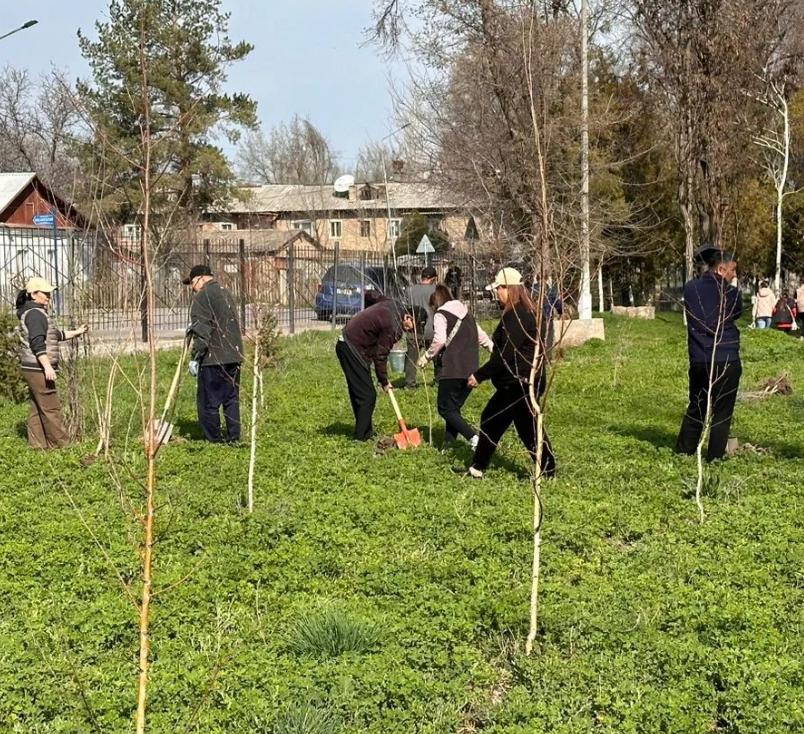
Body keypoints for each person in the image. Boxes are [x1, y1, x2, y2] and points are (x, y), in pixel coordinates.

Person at [458, 267, 556, 479]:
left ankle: (548, 471)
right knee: (492, 419)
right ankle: (477, 468)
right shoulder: (524, 311)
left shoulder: (517, 315)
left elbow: (504, 355)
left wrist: (479, 375)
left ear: (509, 289)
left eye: (499, 289)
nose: (497, 294)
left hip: (520, 383)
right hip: (518, 381)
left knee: (527, 428)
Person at [675, 249, 742, 463]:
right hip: (726, 357)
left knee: (697, 404)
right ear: (721, 269)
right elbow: (736, 313)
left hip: (699, 358)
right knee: (722, 411)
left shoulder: (691, 288)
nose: (733, 275)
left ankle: (684, 451)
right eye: (732, 270)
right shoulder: (732, 294)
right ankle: (714, 456)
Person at [417, 284, 493, 450]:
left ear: (435, 304)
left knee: (445, 408)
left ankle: (474, 439)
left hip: (452, 368)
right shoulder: (468, 315)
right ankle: (448, 446)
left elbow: (439, 340)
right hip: (472, 369)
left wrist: (426, 357)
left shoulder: (441, 314)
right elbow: (483, 338)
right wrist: (496, 352)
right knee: (453, 409)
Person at [16, 277, 88, 449]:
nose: (49, 296)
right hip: (38, 368)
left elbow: (53, 334)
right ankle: (62, 446)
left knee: (37, 407)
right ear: (33, 294)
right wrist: (47, 367)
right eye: (45, 293)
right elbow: (37, 342)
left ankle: (37, 445)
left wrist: (76, 332)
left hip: (31, 367)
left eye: (50, 293)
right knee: (51, 408)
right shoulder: (35, 314)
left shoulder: (34, 312)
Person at [336, 296, 416, 441]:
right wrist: (384, 381)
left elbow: (375, 296)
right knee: (367, 395)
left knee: (361, 392)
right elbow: (381, 355)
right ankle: (361, 437)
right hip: (351, 347)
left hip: (350, 343)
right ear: (408, 316)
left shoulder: (395, 304)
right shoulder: (393, 326)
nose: (411, 331)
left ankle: (365, 432)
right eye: (413, 326)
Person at [184, 264, 244, 443]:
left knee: (208, 402)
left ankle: (214, 439)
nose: (192, 289)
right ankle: (233, 437)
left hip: (214, 358)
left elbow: (203, 331)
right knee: (231, 398)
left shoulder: (203, 297)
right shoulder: (226, 292)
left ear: (202, 278)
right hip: (233, 355)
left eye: (193, 283)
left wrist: (196, 356)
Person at [404, 265, 437, 388]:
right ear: (433, 279)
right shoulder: (437, 290)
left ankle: (410, 383)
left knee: (411, 358)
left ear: (421, 277)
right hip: (432, 329)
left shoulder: (409, 290)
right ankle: (439, 379)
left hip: (414, 329)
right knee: (437, 357)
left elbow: (406, 309)